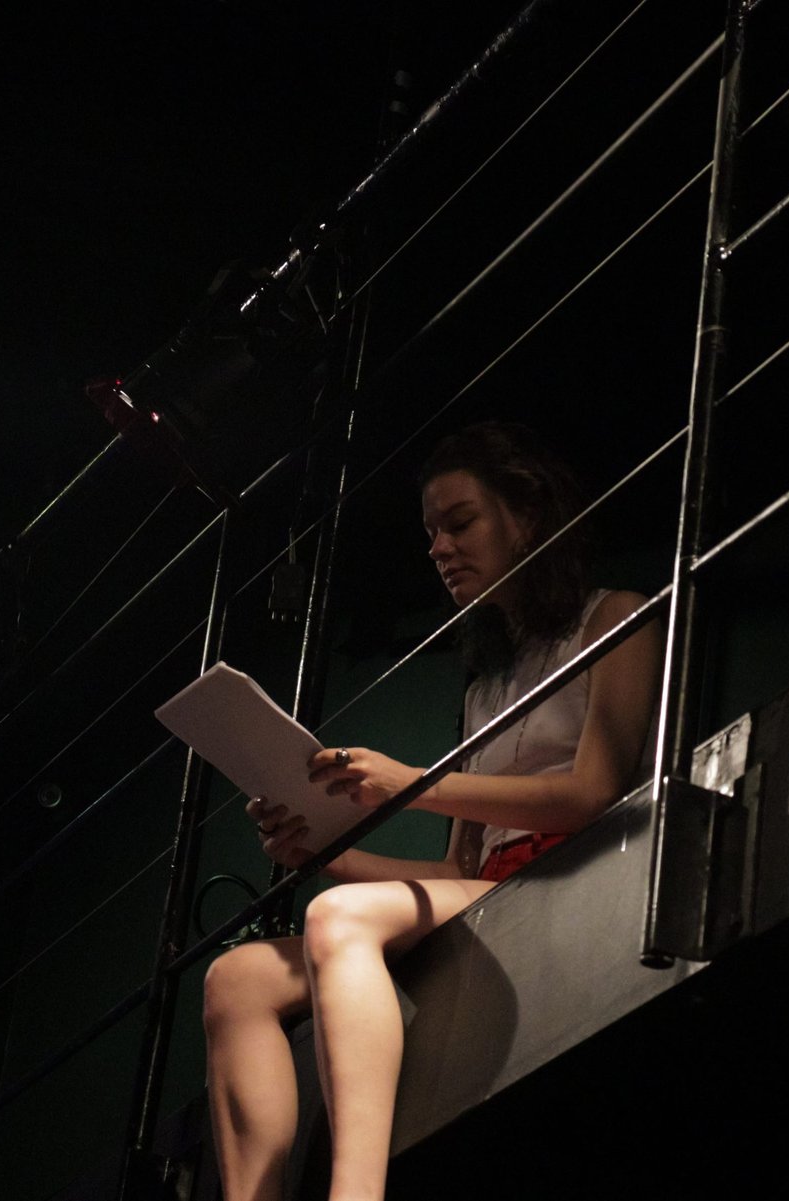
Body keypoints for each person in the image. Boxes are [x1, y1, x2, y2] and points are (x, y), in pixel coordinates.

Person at [203, 421, 662, 1201]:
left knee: (336, 919)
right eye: (430, 534)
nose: (440, 548)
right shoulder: (483, 688)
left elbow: (593, 792)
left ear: (526, 516)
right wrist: (323, 853)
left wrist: (412, 783)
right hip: (487, 887)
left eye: (460, 522)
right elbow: (456, 868)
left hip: (570, 873)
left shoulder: (617, 616)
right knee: (235, 976)